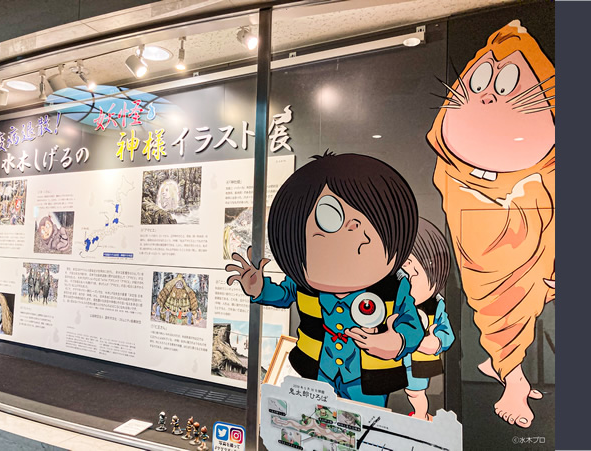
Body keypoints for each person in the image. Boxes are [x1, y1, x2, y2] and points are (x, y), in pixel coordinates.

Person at [427, 20, 554, 428]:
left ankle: (511, 375)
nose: (486, 96)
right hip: (479, 242)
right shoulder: (452, 170)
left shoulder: (547, 174)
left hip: (524, 244)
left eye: (506, 83)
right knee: (494, 306)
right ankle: (509, 371)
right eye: (480, 81)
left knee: (518, 302)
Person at [226, 152, 423, 407]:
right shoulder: (304, 284)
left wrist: (398, 342)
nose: (354, 233)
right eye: (331, 219)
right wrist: (260, 289)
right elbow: (284, 295)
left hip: (367, 380)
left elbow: (411, 324)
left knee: (365, 422)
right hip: (318, 371)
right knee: (316, 419)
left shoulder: (394, 287)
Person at [400, 218, 455, 421]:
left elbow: (446, 332)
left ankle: (420, 416)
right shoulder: (390, 300)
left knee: (415, 393)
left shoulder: (435, 304)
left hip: (417, 362)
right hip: (389, 361)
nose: (409, 275)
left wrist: (437, 341)